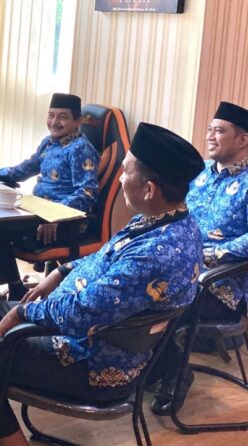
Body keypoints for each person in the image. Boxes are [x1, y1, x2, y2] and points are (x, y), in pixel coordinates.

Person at [0, 122, 204, 445]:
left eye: (126, 171)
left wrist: (25, 313)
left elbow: (83, 312)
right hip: (95, 337)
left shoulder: (155, 254)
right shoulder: (170, 223)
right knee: (1, 312)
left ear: (150, 190)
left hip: (95, 363)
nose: (119, 178)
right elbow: (103, 257)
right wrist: (60, 273)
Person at [150, 101, 248, 415]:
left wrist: (214, 254)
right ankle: (151, 365)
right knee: (133, 286)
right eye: (209, 130)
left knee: (155, 299)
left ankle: (174, 373)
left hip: (219, 285)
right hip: (175, 266)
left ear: (243, 140)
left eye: (219, 131)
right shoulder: (200, 173)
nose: (210, 137)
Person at [0, 93, 99, 300]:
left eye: (62, 117)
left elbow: (87, 192)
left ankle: (16, 290)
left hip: (65, 222)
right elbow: (23, 170)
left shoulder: (81, 149)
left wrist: (55, 214)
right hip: (39, 214)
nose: (54, 122)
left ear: (77, 121)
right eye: (51, 115)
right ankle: (16, 287)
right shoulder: (49, 142)